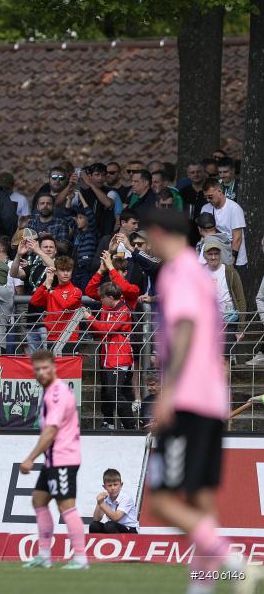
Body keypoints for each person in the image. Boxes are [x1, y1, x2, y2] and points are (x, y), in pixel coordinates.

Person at [144, 209, 243, 593]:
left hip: (187, 398)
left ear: (157, 233)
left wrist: (167, 392)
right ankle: (205, 586)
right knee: (201, 498)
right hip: (212, 398)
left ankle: (230, 559)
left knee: (164, 501)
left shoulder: (177, 271)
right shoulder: (200, 274)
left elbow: (183, 326)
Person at [19, 349, 88, 570]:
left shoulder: (57, 393)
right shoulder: (50, 391)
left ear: (54, 367)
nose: (41, 372)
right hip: (53, 460)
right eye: (37, 369)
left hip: (63, 459)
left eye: (45, 368)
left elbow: (50, 431)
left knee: (67, 507)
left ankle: (80, 557)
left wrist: (29, 458)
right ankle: (45, 555)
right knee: (39, 500)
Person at [83, 282, 136, 429]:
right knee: (107, 392)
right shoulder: (110, 308)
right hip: (108, 357)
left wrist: (89, 318)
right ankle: (109, 423)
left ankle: (130, 426)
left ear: (111, 297)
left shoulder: (123, 310)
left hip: (120, 357)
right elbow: (101, 330)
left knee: (114, 391)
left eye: (103, 298)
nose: (101, 301)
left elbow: (107, 328)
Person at [29, 256, 82, 354]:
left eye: (68, 270)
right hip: (52, 337)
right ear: (56, 272)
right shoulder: (52, 290)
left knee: (68, 369)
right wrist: (45, 283)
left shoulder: (76, 291)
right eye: (62, 270)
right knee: (54, 369)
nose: (66, 273)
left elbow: (65, 305)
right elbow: (34, 301)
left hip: (70, 338)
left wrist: (50, 289)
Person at [200, 178, 247, 279]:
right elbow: (203, 234)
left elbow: (237, 238)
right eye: (206, 198)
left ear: (219, 191)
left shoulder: (234, 208)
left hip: (236, 260)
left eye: (210, 197)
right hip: (214, 258)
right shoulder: (205, 208)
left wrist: (231, 260)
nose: (208, 200)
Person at [89, 468, 139, 534]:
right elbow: (97, 519)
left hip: (130, 529)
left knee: (109, 525)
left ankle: (119, 544)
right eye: (109, 485)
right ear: (104, 487)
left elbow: (116, 518)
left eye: (115, 484)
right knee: (94, 525)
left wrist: (101, 503)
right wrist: (99, 502)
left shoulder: (126, 498)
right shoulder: (105, 498)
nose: (113, 488)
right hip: (113, 527)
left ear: (121, 485)